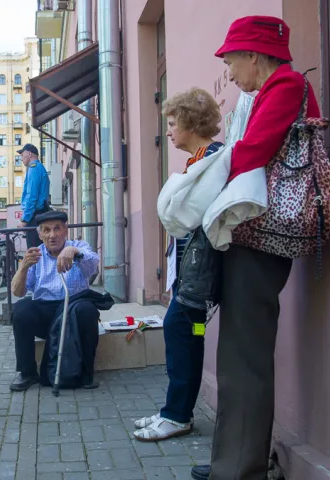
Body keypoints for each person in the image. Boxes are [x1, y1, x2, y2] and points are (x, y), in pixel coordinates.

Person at [190, 16, 321, 480]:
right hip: (252, 231)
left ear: (254, 54)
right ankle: (234, 459)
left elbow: (250, 154)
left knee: (244, 356)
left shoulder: (283, 87)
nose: (227, 65)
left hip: (259, 235)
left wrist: (199, 176)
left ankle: (239, 469)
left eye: (231, 56)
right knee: (238, 354)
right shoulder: (266, 93)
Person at [133, 87, 223, 442]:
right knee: (189, 336)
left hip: (196, 279)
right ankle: (176, 410)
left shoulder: (212, 159)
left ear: (189, 121)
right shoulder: (200, 159)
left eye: (172, 123)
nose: (168, 131)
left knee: (181, 333)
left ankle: (177, 415)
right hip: (189, 275)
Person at [9, 211, 106, 392]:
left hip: (73, 310)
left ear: (65, 230)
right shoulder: (35, 256)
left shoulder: (78, 246)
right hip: (45, 311)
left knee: (88, 310)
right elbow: (18, 291)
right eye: (47, 230)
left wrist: (74, 251)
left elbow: (93, 263)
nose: (52, 235)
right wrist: (23, 267)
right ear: (40, 235)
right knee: (21, 309)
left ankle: (86, 373)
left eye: (57, 229)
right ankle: (27, 372)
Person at [17, 143, 51, 248]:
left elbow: (31, 197)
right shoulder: (39, 168)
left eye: (22, 155)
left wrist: (25, 220)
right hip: (40, 214)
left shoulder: (34, 168)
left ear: (29, 154)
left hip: (35, 216)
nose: (21, 158)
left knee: (34, 252)